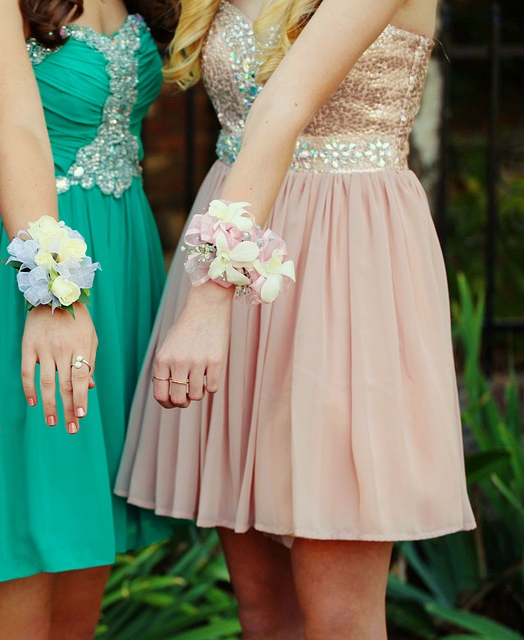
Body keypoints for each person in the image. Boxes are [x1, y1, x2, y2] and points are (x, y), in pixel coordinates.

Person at [115, 0, 476, 637]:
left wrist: (209, 300)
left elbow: (283, 108)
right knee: (261, 612)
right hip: (239, 242)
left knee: (339, 618)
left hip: (348, 269)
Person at [0, 0, 173, 637]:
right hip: (23, 284)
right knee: (15, 553)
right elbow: (16, 129)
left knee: (76, 557)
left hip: (121, 279)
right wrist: (53, 291)